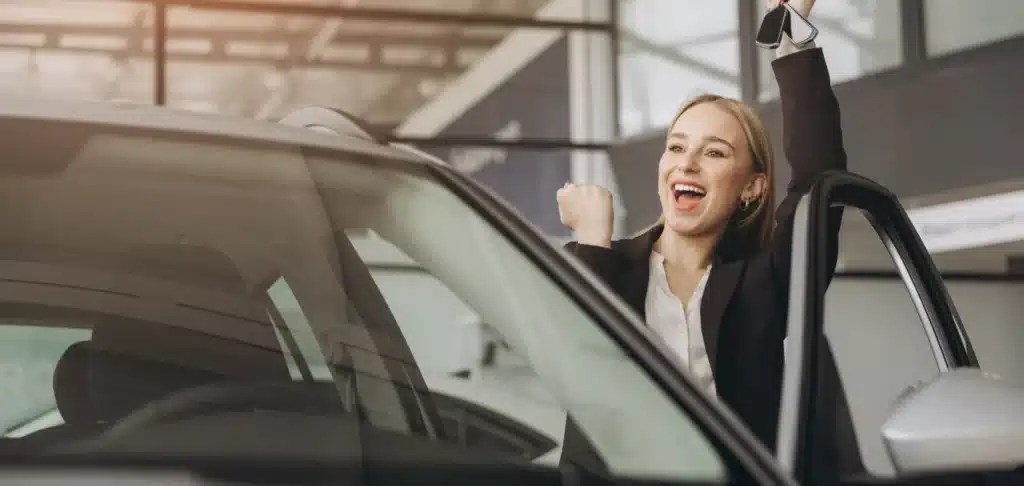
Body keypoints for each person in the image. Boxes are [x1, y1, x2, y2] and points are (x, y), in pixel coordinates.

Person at [556, 0, 849, 474]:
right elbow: (579, 371)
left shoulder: (768, 281)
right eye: (676, 147)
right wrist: (593, 239)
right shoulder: (602, 263)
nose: (687, 164)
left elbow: (821, 176)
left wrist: (790, 31)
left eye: (713, 152)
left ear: (752, 186)